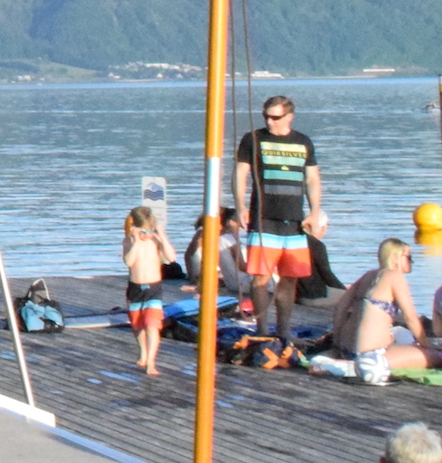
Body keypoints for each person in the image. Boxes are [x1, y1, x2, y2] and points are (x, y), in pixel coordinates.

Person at [235, 96, 323, 340]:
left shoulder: (303, 141)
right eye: (266, 117)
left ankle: (284, 330)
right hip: (264, 218)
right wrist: (240, 205)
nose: (270, 122)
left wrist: (315, 211)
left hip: (294, 220)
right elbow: (241, 173)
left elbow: (312, 178)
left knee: (290, 278)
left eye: (275, 117)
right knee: (261, 278)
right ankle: (262, 329)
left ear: (289, 116)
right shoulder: (253, 139)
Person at [315, 239, 440, 385]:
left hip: (347, 348)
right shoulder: (394, 275)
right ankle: (346, 367)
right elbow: (410, 316)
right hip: (371, 356)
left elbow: (340, 307)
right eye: (409, 258)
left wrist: (337, 342)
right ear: (395, 257)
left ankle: (342, 361)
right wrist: (425, 345)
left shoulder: (368, 275)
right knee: (436, 356)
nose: (412, 262)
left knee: (401, 333)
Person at [123, 207, 176, 377]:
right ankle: (143, 352)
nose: (146, 234)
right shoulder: (129, 241)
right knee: (137, 324)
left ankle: (151, 361)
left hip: (153, 288)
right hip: (135, 288)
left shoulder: (155, 241)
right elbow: (129, 262)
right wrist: (137, 241)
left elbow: (171, 258)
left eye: (148, 230)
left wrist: (161, 236)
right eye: (142, 231)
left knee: (152, 324)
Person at [184, 208, 253, 304]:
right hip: (238, 281)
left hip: (228, 281)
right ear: (231, 222)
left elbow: (189, 255)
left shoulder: (216, 237)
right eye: (241, 223)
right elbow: (241, 266)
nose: (243, 226)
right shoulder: (227, 239)